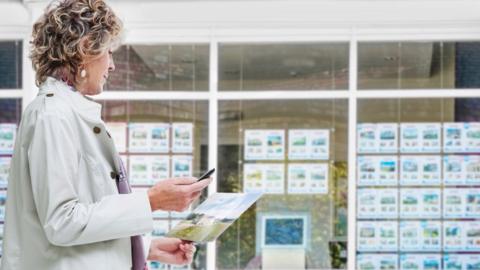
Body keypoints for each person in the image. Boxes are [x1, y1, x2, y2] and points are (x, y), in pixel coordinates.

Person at [0, 0, 212, 269]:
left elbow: (81, 220)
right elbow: (62, 221)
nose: (111, 65)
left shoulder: (67, 112)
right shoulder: (53, 114)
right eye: (109, 52)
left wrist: (146, 248)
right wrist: (151, 202)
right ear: (85, 50)